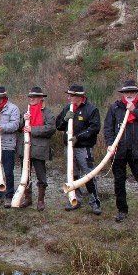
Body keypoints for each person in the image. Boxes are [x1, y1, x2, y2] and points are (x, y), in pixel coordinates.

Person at [104, 80, 138, 224]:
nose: (129, 94)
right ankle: (122, 211)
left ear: (136, 93)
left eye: (132, 92)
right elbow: (108, 128)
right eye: (127, 92)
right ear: (123, 93)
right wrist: (110, 144)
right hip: (119, 151)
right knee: (119, 182)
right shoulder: (115, 107)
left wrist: (135, 110)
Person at [55, 84, 102, 215]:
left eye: (71, 95)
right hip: (69, 148)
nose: (68, 97)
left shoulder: (91, 109)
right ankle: (76, 200)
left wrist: (78, 137)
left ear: (80, 97)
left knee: (89, 175)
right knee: (73, 174)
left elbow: (94, 128)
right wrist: (65, 120)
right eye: (68, 95)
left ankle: (95, 202)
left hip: (84, 148)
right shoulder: (67, 109)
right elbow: (58, 126)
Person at [20, 87, 56, 211]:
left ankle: (41, 201)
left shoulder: (47, 112)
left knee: (41, 176)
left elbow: (51, 128)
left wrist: (33, 130)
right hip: (25, 148)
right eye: (30, 97)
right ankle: (28, 199)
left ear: (41, 98)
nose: (31, 99)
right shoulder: (26, 110)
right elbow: (19, 126)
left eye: (34, 97)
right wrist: (23, 120)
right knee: (25, 174)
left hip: (40, 149)